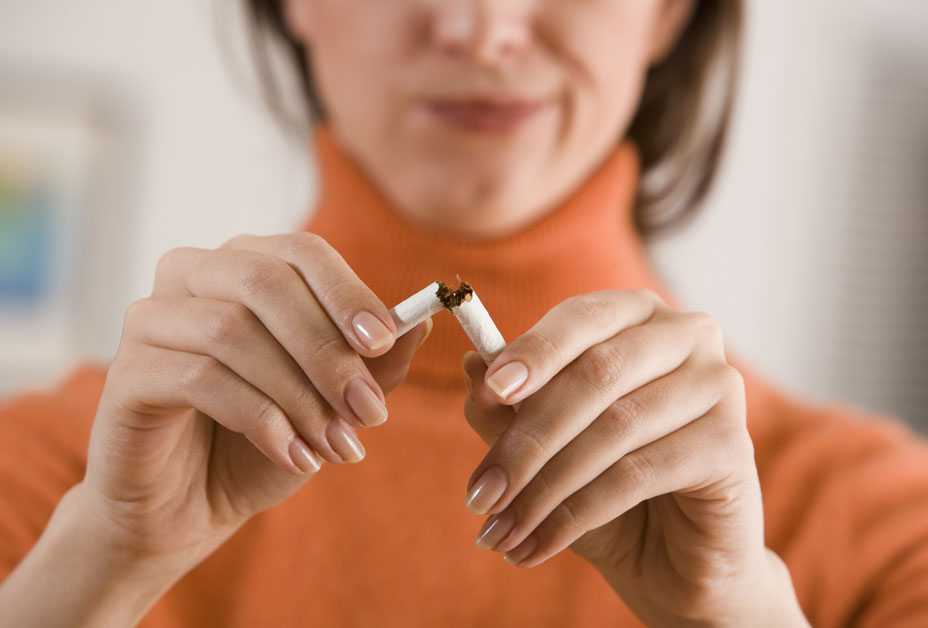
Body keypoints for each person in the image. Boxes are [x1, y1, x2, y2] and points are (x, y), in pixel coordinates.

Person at [1, 1, 927, 626]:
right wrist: (100, 567)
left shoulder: (890, 530)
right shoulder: (54, 482)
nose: (481, 31)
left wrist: (739, 613)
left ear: (672, 11)